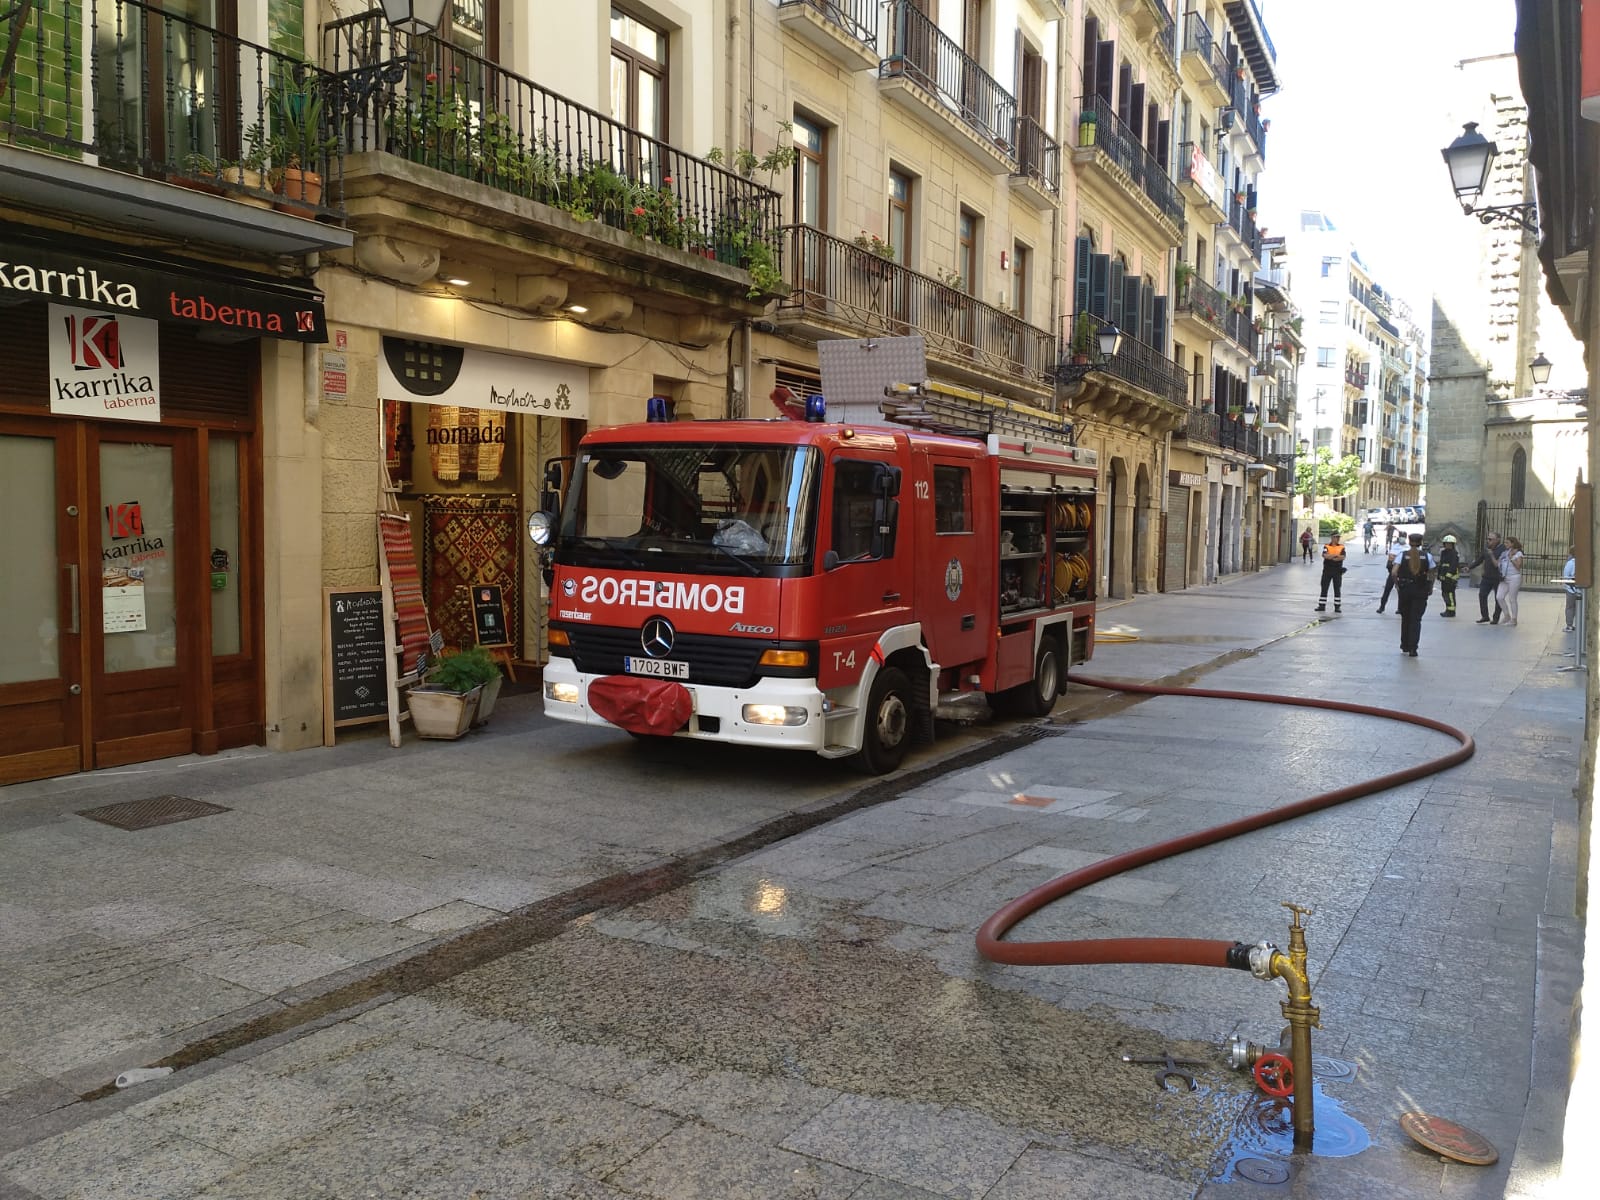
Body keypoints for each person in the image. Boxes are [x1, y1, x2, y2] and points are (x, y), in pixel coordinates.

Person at [1392, 532, 1437, 656]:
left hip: (1405, 589)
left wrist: (1397, 585)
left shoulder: (1402, 555)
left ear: (1409, 541)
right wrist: (1430, 586)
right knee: (1416, 619)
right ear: (1421, 542)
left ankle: (1404, 645)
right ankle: (1413, 648)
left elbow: (1394, 572)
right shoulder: (1427, 556)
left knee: (1405, 617)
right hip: (1421, 589)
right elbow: (1432, 572)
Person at [1463, 531, 1504, 623]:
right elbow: (1479, 560)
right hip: (1487, 577)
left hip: (1498, 577)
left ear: (1497, 540)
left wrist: (1491, 554)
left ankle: (1496, 618)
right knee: (1482, 595)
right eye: (1488, 539)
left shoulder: (1502, 550)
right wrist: (1469, 567)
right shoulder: (1486, 549)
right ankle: (1485, 616)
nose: (1488, 541)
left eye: (1490, 539)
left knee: (1498, 598)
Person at [1496, 536, 1525, 627]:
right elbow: (1499, 563)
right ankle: (1506, 615)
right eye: (1505, 543)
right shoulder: (1505, 552)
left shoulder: (1518, 553)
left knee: (1512, 598)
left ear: (1513, 543)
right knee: (1499, 597)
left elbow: (1518, 566)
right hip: (1504, 577)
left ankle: (1514, 619)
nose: (1505, 544)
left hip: (1514, 577)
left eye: (1507, 543)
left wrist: (1512, 558)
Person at [1316, 531, 1347, 612]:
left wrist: (1331, 557)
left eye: (1339, 537)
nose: (1338, 539)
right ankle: (1321, 606)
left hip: (1337, 571)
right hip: (1327, 570)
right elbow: (1325, 555)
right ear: (1332, 538)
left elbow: (1342, 557)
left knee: (1337, 589)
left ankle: (1337, 607)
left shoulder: (1341, 547)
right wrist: (1335, 556)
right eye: (1336, 537)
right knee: (1324, 588)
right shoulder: (1326, 546)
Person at [1436, 534, 1462, 617]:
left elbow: (1454, 565)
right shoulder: (1443, 552)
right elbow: (1441, 564)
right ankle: (1447, 609)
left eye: (1450, 544)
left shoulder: (1455, 553)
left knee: (1450, 594)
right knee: (1444, 593)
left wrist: (1448, 575)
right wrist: (1439, 574)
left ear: (1453, 544)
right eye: (1446, 543)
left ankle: (1451, 611)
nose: (1448, 545)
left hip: (1451, 577)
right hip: (1444, 577)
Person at [1377, 539, 1403, 614]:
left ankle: (1382, 607)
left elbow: (1388, 564)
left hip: (1395, 573)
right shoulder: (1404, 549)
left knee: (1389, 590)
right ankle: (1383, 607)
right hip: (1397, 573)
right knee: (1394, 590)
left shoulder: (1395, 549)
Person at [1562, 545, 1581, 632]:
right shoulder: (1582, 562)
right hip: (1580, 589)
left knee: (1570, 607)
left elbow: (1566, 576)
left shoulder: (1570, 563)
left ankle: (1569, 625)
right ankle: (1579, 625)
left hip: (1571, 589)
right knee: (1579, 608)